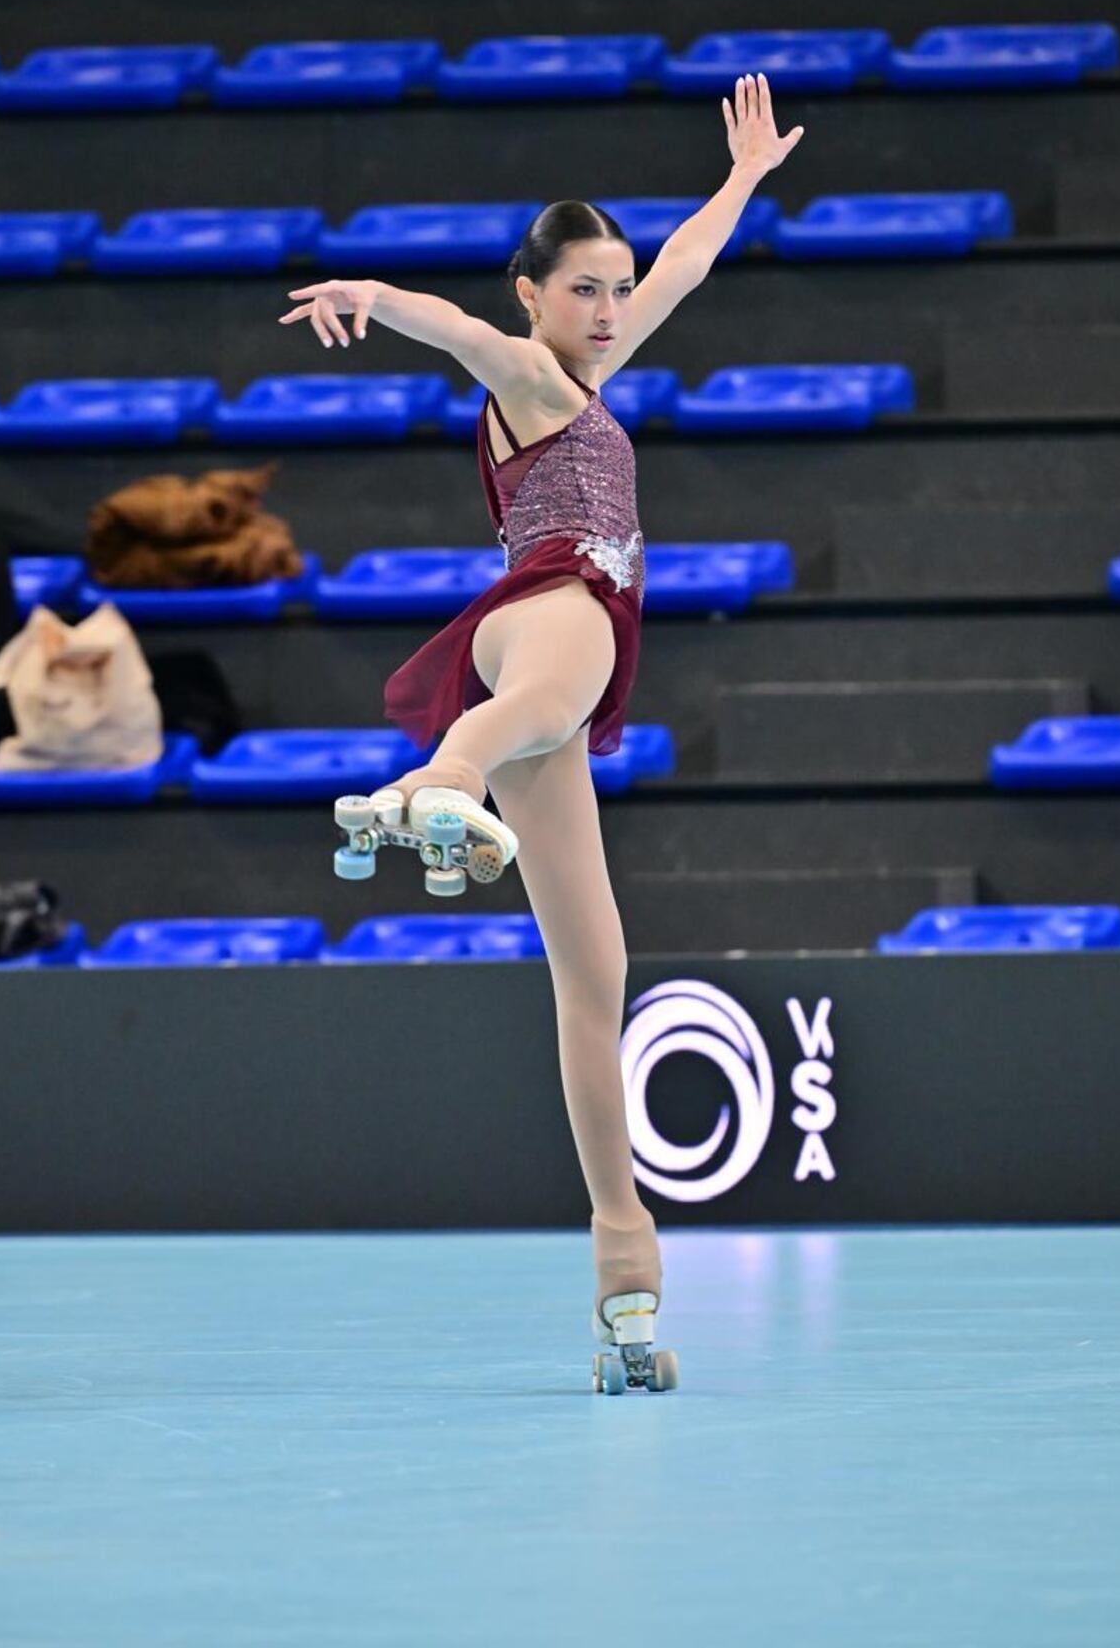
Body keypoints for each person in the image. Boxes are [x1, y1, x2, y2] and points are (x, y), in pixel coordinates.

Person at [280, 72, 803, 1376]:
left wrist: (739, 183)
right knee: (553, 681)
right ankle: (443, 779)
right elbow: (450, 324)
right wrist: (366, 296)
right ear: (536, 293)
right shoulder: (524, 369)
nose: (612, 307)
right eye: (587, 287)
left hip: (564, 636)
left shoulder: (599, 367)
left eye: (617, 288)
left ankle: (622, 1254)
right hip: (547, 605)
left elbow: (686, 263)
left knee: (596, 970)